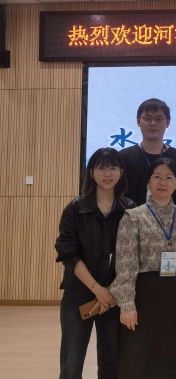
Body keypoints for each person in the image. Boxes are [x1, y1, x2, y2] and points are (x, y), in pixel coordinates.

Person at [110, 157, 176, 379]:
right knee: (140, 355)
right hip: (144, 295)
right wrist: (126, 304)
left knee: (174, 355)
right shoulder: (133, 217)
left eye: (169, 178)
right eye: (157, 177)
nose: (162, 182)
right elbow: (125, 263)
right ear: (148, 182)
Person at [55, 148, 135, 379]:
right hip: (80, 292)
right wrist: (96, 289)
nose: (107, 173)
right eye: (101, 167)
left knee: (112, 361)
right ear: (91, 172)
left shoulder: (130, 209)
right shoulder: (75, 209)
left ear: (121, 172)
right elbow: (68, 253)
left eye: (113, 168)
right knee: (72, 362)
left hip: (115, 294)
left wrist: (110, 290)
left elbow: (133, 255)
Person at [118, 98, 176, 207]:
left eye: (159, 119)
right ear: (138, 121)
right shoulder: (123, 157)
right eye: (147, 118)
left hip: (171, 218)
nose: (153, 123)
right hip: (131, 217)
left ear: (168, 122)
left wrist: (170, 216)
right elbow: (116, 195)